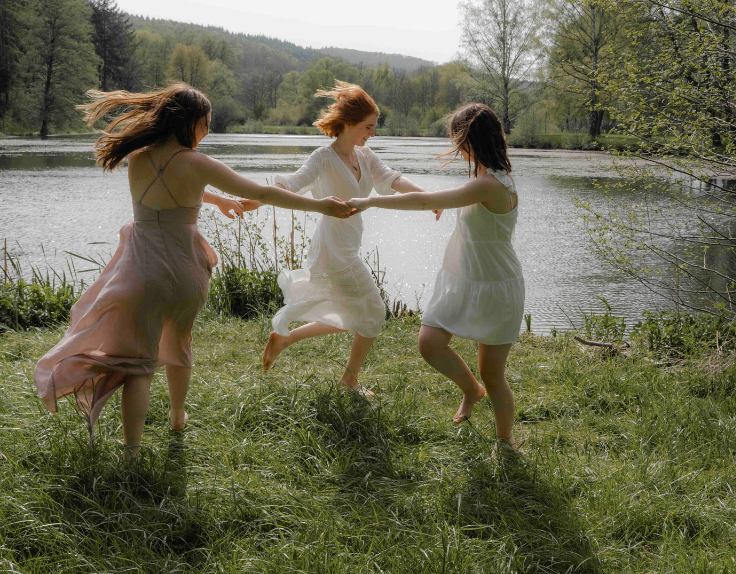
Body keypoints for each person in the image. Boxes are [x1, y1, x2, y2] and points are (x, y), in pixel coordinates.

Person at [34, 84, 353, 458]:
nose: (209, 130)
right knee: (179, 341)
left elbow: (166, 187)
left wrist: (216, 199)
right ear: (190, 123)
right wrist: (321, 207)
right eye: (207, 122)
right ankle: (176, 416)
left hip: (142, 271)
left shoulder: (136, 158)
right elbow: (262, 193)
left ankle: (132, 452)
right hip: (185, 272)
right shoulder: (198, 164)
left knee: (139, 366)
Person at [348, 103, 525, 451]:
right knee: (430, 343)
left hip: (496, 286)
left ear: (469, 141)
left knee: (493, 373)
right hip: (464, 278)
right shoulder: (484, 177)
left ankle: (505, 442)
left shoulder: (491, 184)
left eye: (458, 142)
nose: (458, 150)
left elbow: (423, 199)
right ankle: (471, 390)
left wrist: (370, 201)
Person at [262, 81, 441, 395]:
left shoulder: (366, 156)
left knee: (356, 314)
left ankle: (289, 339)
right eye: (367, 127)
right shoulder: (323, 158)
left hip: (348, 246)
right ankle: (348, 380)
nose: (371, 133)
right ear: (347, 124)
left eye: (374, 127)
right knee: (373, 313)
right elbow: (292, 184)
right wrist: (255, 198)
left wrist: (428, 196)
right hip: (333, 250)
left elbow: (393, 179)